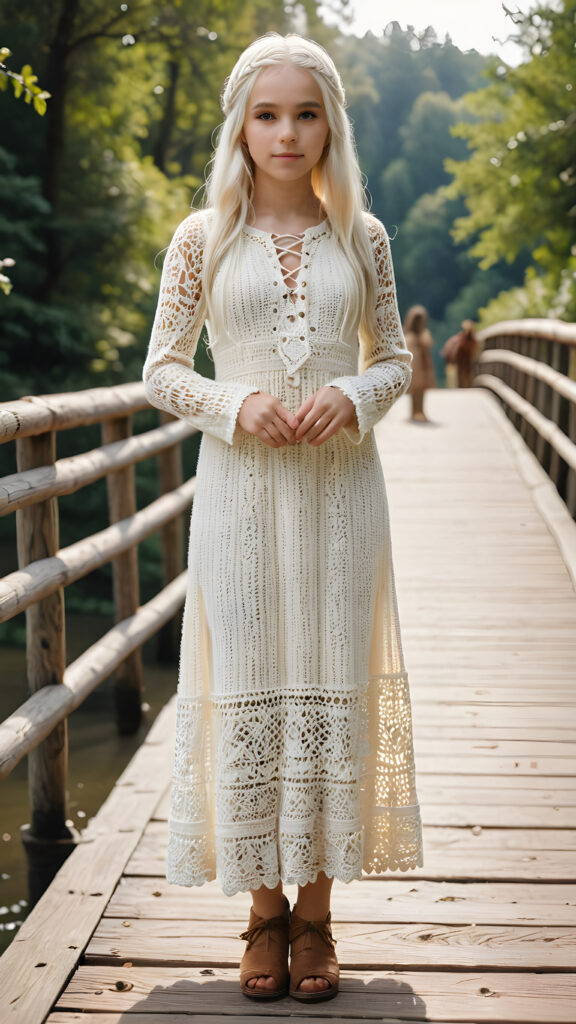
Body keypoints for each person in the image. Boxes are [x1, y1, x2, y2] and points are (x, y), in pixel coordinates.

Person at [143, 32, 423, 1005]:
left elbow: (396, 360)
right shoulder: (202, 238)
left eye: (306, 113)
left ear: (330, 123)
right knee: (256, 680)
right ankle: (262, 912)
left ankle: (318, 914)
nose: (287, 132)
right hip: (243, 498)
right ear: (242, 125)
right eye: (268, 113)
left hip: (344, 497)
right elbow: (162, 369)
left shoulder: (363, 235)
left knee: (331, 682)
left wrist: (354, 392)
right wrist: (234, 404)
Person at [403, 304, 436, 422]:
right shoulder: (411, 338)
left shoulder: (421, 336)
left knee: (421, 391)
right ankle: (415, 412)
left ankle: (420, 412)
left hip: (422, 366)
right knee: (416, 392)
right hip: (417, 367)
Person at [441, 319, 478, 388]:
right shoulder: (462, 340)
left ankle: (464, 386)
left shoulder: (466, 339)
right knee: (461, 375)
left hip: (463, 362)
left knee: (463, 375)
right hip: (460, 361)